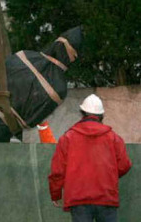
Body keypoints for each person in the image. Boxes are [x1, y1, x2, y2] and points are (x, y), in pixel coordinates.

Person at [48, 94, 132, 222]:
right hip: (106, 197)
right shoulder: (113, 138)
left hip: (78, 199)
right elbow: (124, 165)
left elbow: (58, 171)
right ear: (101, 115)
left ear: (83, 113)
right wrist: (108, 176)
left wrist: (56, 194)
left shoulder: (67, 138)